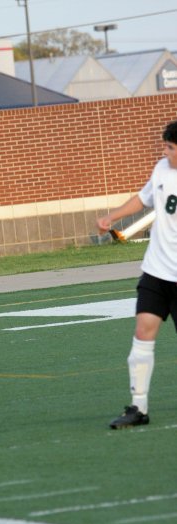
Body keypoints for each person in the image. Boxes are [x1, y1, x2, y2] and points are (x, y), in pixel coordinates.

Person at [97, 120, 177, 429]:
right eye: (166, 146)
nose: (165, 151)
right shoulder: (161, 169)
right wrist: (111, 216)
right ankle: (138, 408)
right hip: (156, 271)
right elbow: (144, 199)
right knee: (143, 333)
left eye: (170, 147)